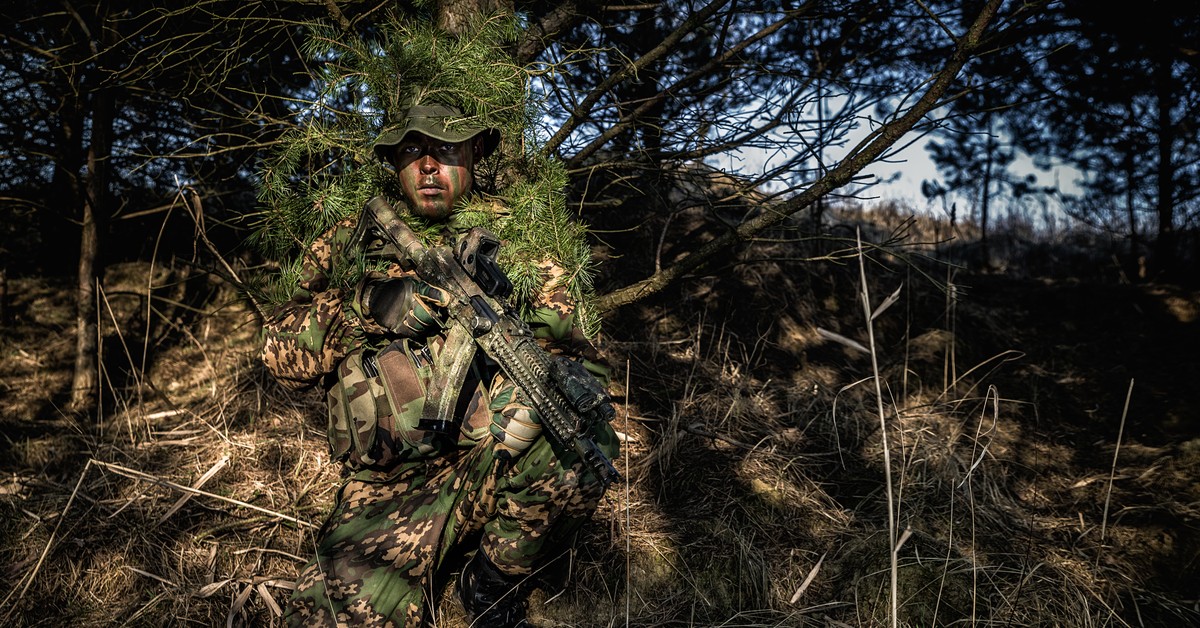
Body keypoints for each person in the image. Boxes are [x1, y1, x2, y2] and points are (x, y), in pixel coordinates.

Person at [261, 100, 619, 627]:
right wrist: (366, 310)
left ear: (474, 153)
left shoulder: (517, 245)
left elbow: (580, 362)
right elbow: (277, 354)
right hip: (382, 487)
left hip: (485, 459)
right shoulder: (351, 240)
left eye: (445, 149)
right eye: (413, 149)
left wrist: (530, 413)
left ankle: (492, 586)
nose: (428, 165)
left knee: (580, 444)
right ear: (395, 161)